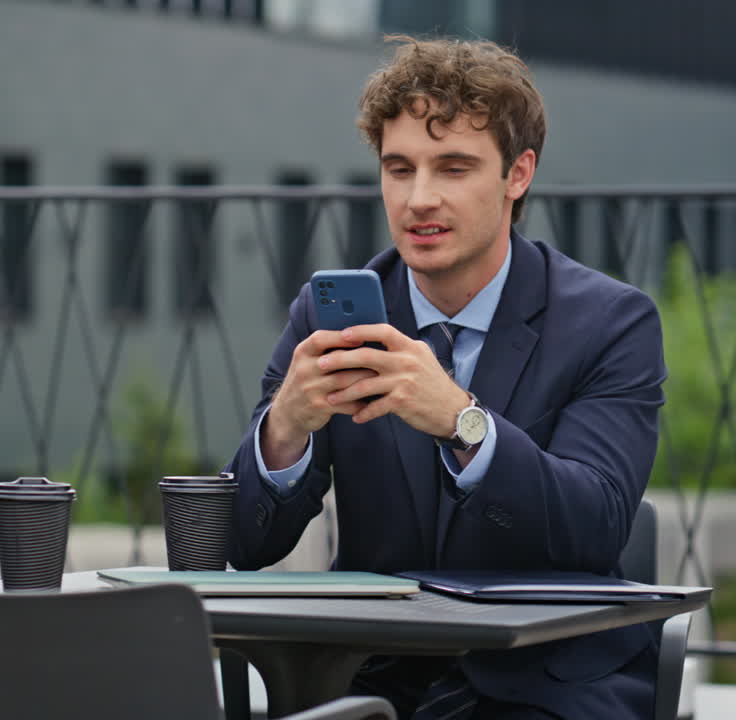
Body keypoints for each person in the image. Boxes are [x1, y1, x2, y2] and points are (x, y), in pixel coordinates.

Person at [226, 37, 665, 718]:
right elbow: (246, 545)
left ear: (518, 174)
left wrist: (463, 422)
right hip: (368, 676)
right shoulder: (330, 314)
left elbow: (598, 525)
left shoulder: (612, 323)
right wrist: (285, 428)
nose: (418, 198)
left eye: (453, 168)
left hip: (546, 682)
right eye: (398, 169)